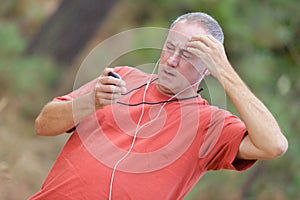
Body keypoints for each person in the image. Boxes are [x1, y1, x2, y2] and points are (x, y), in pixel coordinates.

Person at [29, 12, 288, 200]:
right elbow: (43, 124)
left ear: (209, 67)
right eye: (169, 48)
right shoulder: (122, 77)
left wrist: (226, 71)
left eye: (187, 55)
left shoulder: (211, 124)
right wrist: (90, 102)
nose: (172, 60)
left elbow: (274, 145)